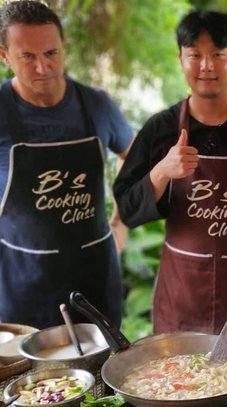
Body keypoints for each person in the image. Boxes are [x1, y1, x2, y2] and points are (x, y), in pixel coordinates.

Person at [113, 10, 227, 334]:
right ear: (180, 59)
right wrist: (161, 172)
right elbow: (128, 209)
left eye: (217, 54)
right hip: (182, 296)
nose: (207, 66)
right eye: (195, 55)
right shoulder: (161, 129)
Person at [0, 1, 133, 329]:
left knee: (103, 374)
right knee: (33, 381)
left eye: (51, 53)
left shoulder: (97, 106)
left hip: (96, 279)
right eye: (27, 57)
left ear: (64, 48)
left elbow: (133, 158)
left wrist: (121, 224)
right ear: (5, 56)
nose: (42, 67)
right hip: (21, 284)